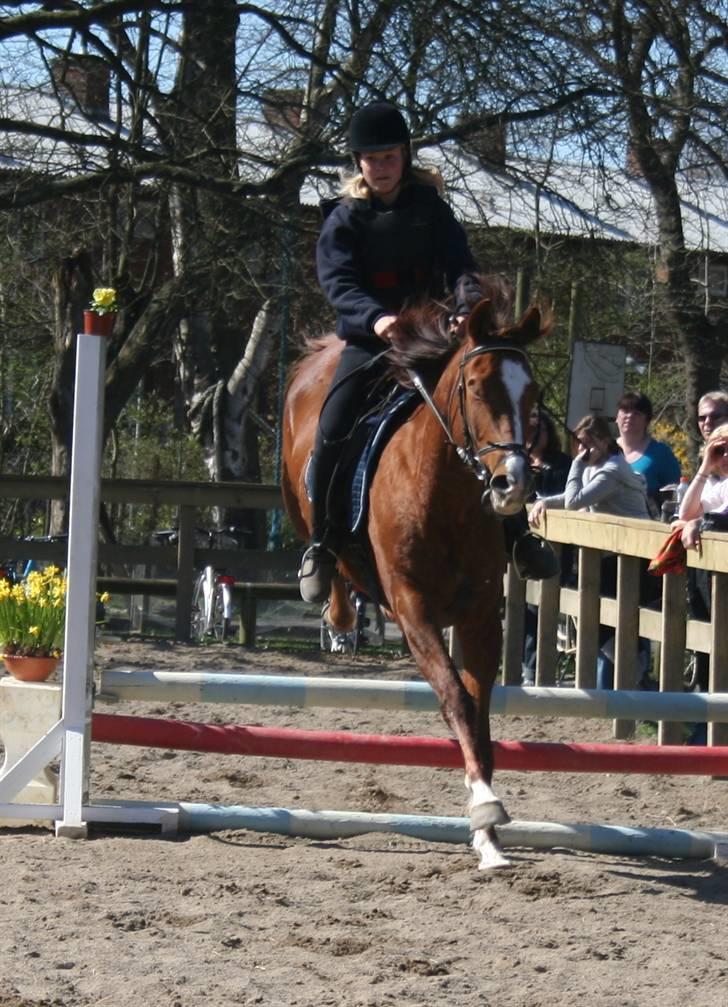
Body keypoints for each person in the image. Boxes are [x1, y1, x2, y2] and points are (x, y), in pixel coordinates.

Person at [298, 100, 556, 603]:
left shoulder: (432, 211)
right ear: (360, 164)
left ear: (405, 157)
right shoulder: (345, 219)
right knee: (332, 425)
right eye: (372, 159)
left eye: (390, 157)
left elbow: (462, 268)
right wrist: (378, 318)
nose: (382, 167)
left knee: (486, 415)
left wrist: (464, 307)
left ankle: (519, 535)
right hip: (373, 342)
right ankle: (323, 543)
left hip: (433, 339)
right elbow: (338, 282)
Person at [529, 414, 652, 689]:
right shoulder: (594, 468)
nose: (582, 451)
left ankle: (636, 677)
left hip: (633, 557)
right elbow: (573, 497)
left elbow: (574, 501)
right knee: (599, 624)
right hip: (611, 556)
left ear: (604, 441)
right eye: (578, 445)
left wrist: (575, 463)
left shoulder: (611, 470)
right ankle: (631, 679)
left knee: (612, 625)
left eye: (587, 445)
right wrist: (545, 503)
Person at [521, 411, 572, 685]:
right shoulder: (517, 465)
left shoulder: (564, 465)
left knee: (542, 609)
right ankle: (520, 665)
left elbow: (572, 498)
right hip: (523, 544)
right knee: (521, 607)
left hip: (556, 548)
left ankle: (536, 669)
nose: (530, 435)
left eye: (535, 430)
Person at [615, 392, 681, 517]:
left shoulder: (661, 453)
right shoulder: (604, 449)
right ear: (617, 416)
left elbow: (675, 496)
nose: (629, 416)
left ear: (647, 421)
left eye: (637, 413)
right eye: (625, 411)